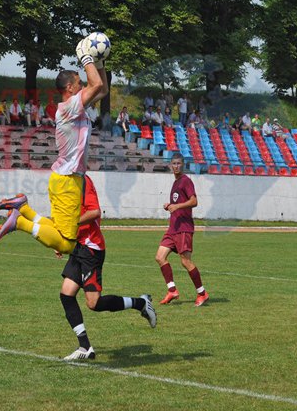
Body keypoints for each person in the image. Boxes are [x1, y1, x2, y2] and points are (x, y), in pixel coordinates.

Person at [0, 39, 109, 254]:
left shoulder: (74, 107)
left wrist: (99, 63)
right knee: (66, 244)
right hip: (67, 181)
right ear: (69, 88)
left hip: (65, 179)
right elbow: (97, 86)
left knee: (58, 231)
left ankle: (23, 208)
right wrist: (86, 57)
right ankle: (20, 222)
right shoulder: (69, 107)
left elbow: (101, 90)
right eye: (79, 83)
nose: (83, 85)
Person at [58, 174, 157, 360]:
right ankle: (85, 347)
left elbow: (94, 212)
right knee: (66, 295)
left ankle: (141, 303)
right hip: (78, 246)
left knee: (93, 303)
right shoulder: (66, 182)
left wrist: (71, 225)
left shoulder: (83, 181)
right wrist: (64, 241)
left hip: (91, 249)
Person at [156, 153, 209, 307]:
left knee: (185, 262)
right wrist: (170, 206)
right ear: (170, 165)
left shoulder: (186, 181)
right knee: (160, 257)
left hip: (184, 228)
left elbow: (194, 201)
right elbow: (177, 203)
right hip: (173, 228)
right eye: (174, 163)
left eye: (179, 163)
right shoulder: (175, 183)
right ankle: (172, 290)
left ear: (183, 164)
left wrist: (177, 206)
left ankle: (202, 293)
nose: (176, 166)